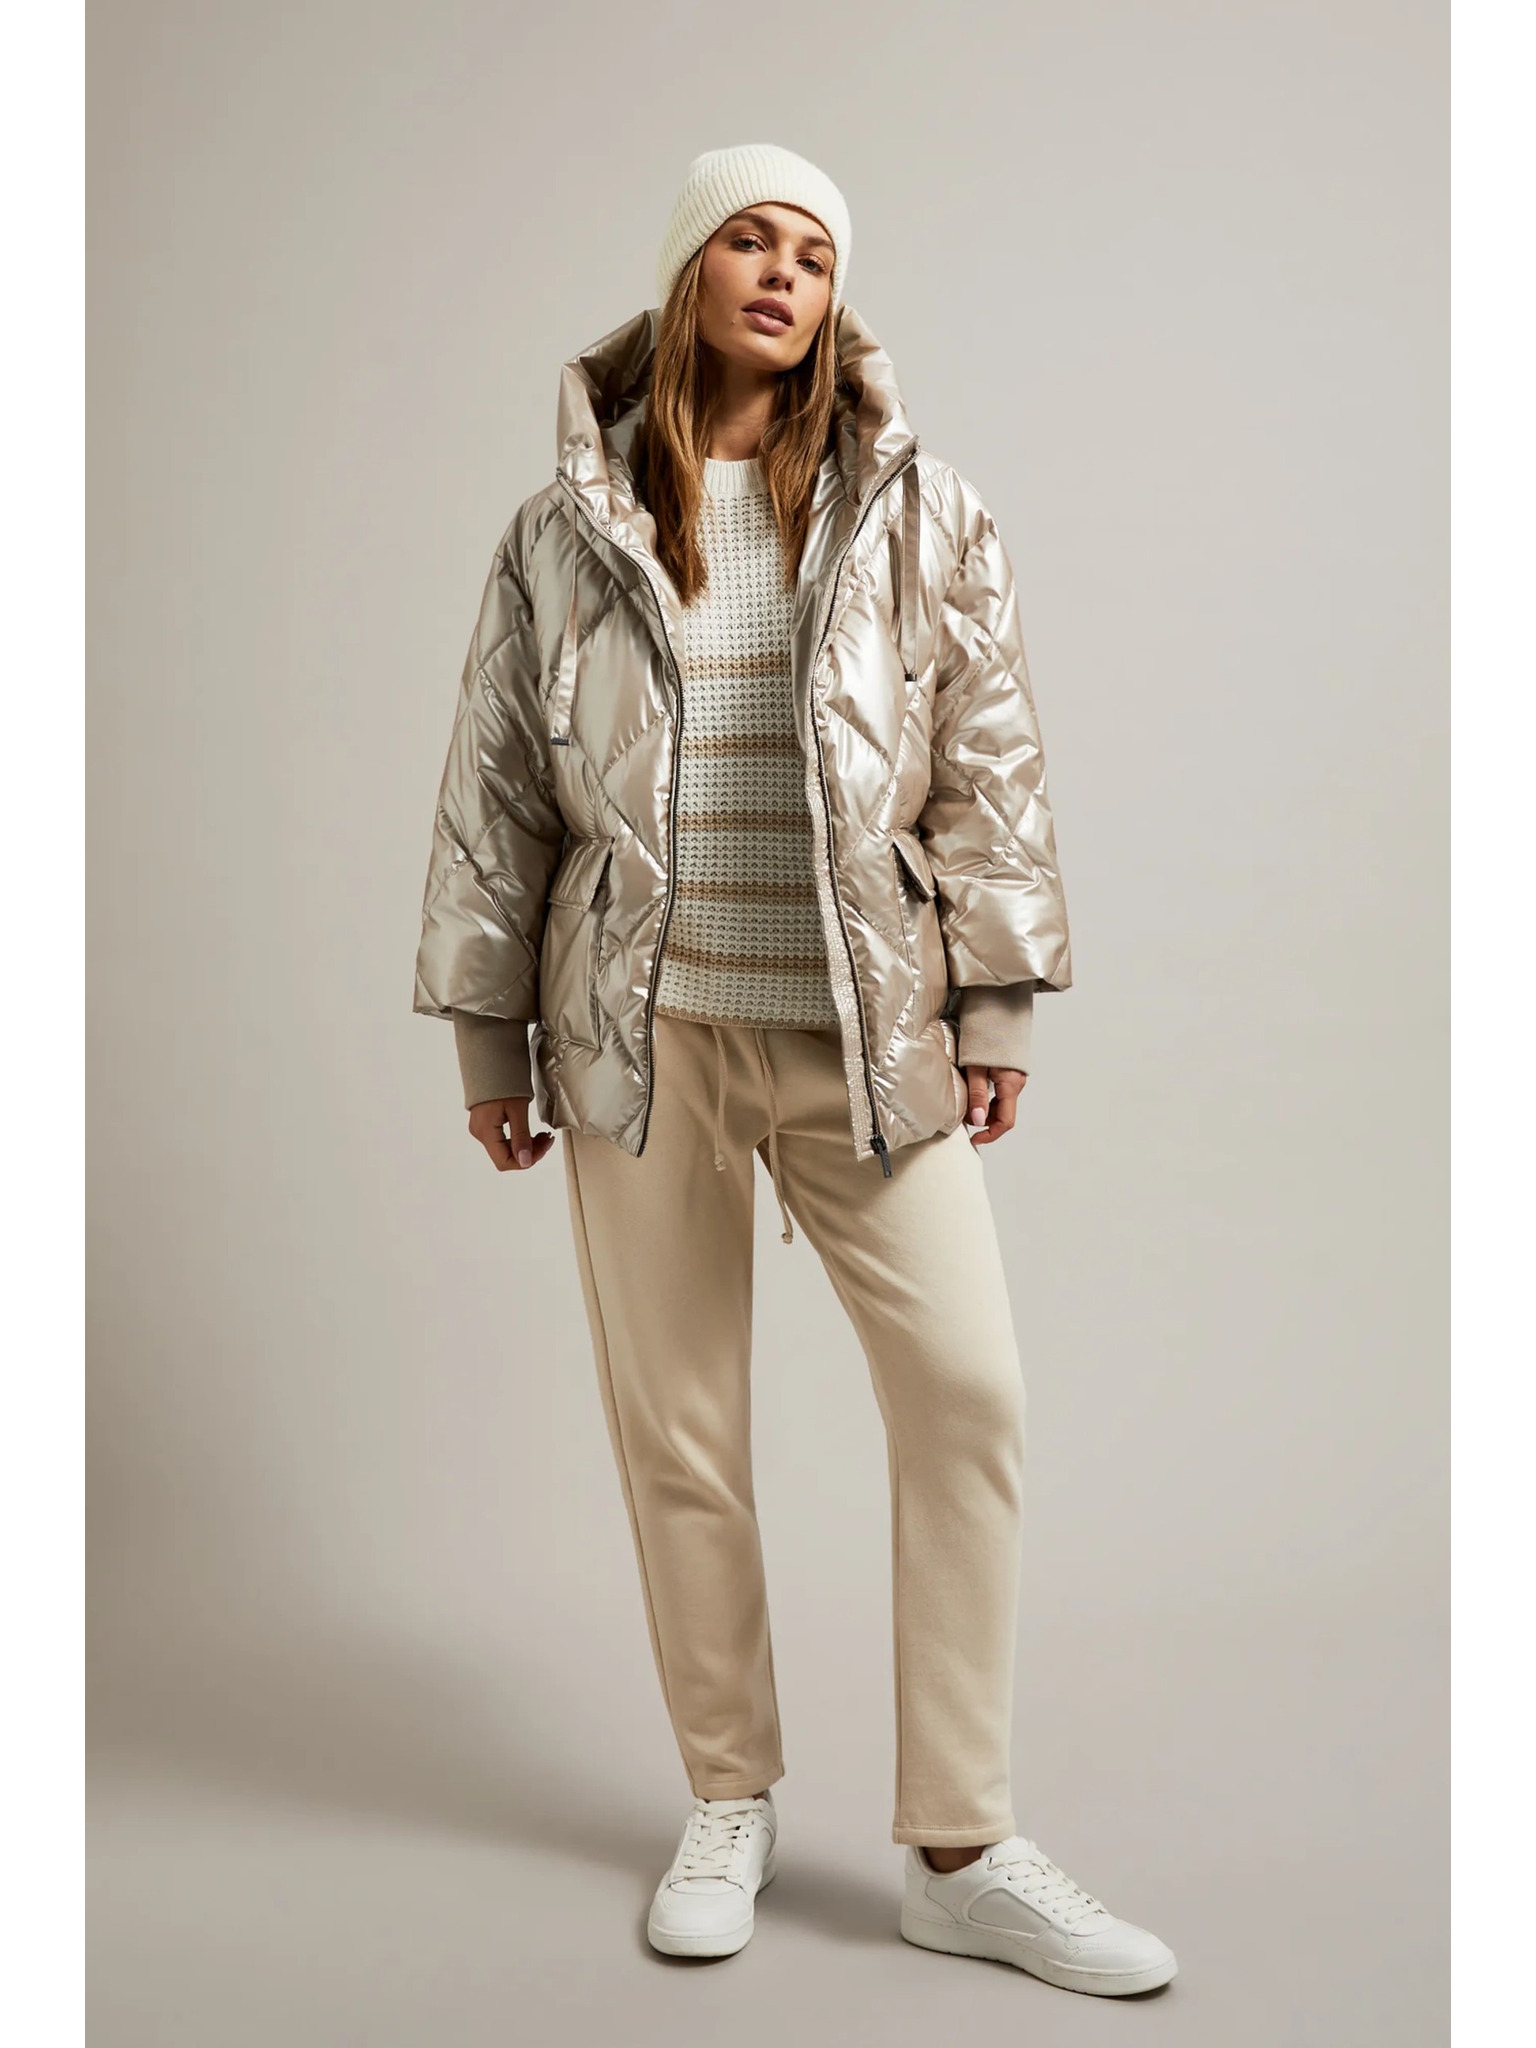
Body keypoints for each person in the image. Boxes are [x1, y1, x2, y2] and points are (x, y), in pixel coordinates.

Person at [413, 142, 1176, 1996]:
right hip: (642, 1038)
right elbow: (497, 792)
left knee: (968, 1396)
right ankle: (727, 1796)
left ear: (836, 298)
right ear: (687, 271)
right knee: (680, 1432)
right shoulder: (559, 532)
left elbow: (990, 765)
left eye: (814, 252)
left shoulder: (926, 511)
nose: (781, 271)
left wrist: (993, 1004)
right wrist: (489, 1035)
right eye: (748, 239)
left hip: (866, 1036)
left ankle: (962, 1846)